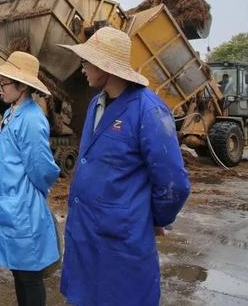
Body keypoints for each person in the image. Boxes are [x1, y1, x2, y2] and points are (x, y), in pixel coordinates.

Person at [57, 27, 191, 306]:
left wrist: (154, 218)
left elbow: (173, 183)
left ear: (106, 66)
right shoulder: (96, 104)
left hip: (121, 242)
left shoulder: (148, 110)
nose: (82, 68)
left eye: (87, 62)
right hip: (87, 236)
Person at [0, 51, 61, 306]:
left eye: (4, 83)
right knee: (18, 269)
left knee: (29, 273)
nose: (0, 88)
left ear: (22, 86)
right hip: (10, 205)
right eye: (0, 82)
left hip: (23, 207)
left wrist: (27, 194)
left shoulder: (31, 118)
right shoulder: (11, 113)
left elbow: (42, 170)